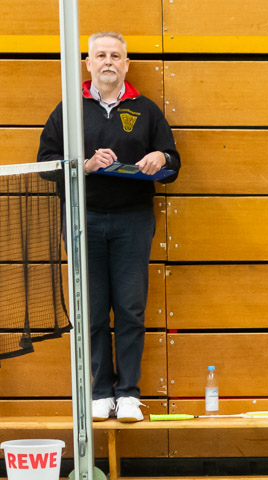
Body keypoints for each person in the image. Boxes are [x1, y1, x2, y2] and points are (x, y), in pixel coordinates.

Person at [38, 31, 181, 423]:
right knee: (93, 310)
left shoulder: (147, 110)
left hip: (133, 221)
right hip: (82, 220)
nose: (108, 62)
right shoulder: (68, 109)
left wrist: (160, 157)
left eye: (115, 56)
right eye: (100, 55)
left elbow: (174, 164)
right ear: (88, 63)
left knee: (131, 308)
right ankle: (101, 392)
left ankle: (129, 394)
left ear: (126, 64)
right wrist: (84, 166)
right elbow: (46, 164)